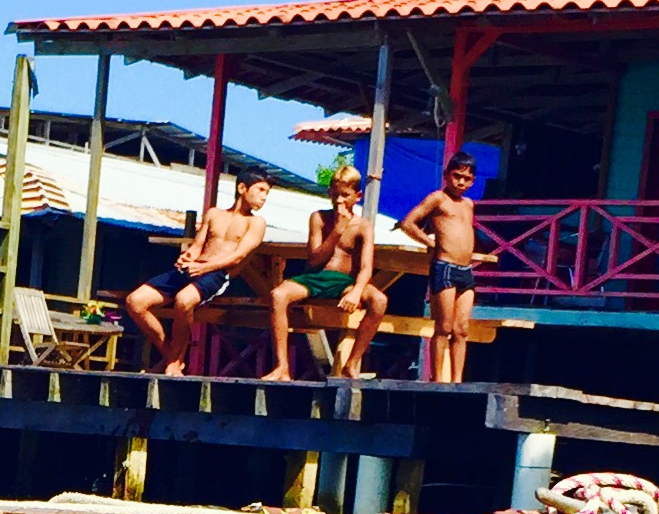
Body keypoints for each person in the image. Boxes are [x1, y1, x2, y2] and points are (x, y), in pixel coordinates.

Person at [126, 168, 272, 376]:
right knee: (135, 301)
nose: (264, 197)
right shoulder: (214, 214)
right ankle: (171, 358)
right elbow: (197, 245)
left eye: (267, 193)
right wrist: (188, 256)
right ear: (242, 188)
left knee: (184, 300)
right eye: (260, 190)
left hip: (217, 274)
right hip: (194, 267)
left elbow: (238, 256)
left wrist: (204, 267)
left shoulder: (256, 222)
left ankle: (174, 361)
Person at [261, 165, 387, 381]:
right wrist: (337, 230)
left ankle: (352, 364)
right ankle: (282, 366)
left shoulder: (363, 226)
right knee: (277, 295)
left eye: (345, 195)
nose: (339, 200)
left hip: (344, 281)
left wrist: (356, 291)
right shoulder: (318, 218)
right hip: (315, 277)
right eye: (335, 194)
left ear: (357, 196)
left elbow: (366, 266)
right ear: (329, 192)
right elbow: (314, 259)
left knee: (379, 300)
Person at [398, 151, 479, 384]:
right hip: (444, 266)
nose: (460, 182)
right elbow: (408, 223)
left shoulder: (469, 204)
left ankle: (457, 380)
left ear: (472, 181)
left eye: (466, 178)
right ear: (446, 175)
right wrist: (431, 243)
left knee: (461, 329)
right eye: (456, 176)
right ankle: (438, 379)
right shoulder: (438, 198)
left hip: (466, 269)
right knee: (443, 326)